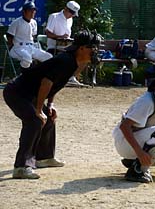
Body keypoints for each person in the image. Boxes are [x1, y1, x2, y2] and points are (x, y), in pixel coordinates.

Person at [2, 30, 101, 179]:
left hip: (30, 94)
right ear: (81, 48)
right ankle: (21, 166)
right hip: (17, 92)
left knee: (49, 116)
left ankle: (43, 158)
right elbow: (46, 83)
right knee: (34, 121)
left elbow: (55, 84)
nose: (95, 51)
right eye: (92, 47)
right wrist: (38, 109)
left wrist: (50, 105)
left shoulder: (75, 62)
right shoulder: (66, 61)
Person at [6, 1, 52, 72]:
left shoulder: (34, 22)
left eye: (34, 10)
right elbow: (9, 36)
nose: (33, 12)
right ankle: (23, 76)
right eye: (30, 10)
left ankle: (40, 76)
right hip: (18, 47)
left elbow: (33, 36)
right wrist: (12, 47)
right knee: (27, 58)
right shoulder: (16, 22)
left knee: (49, 57)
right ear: (24, 12)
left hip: (31, 47)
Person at [45, 0, 81, 85]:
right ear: (66, 9)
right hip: (54, 47)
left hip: (66, 47)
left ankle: (71, 76)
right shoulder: (54, 16)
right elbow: (48, 33)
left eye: (73, 13)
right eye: (71, 12)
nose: (72, 15)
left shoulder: (70, 20)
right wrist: (59, 37)